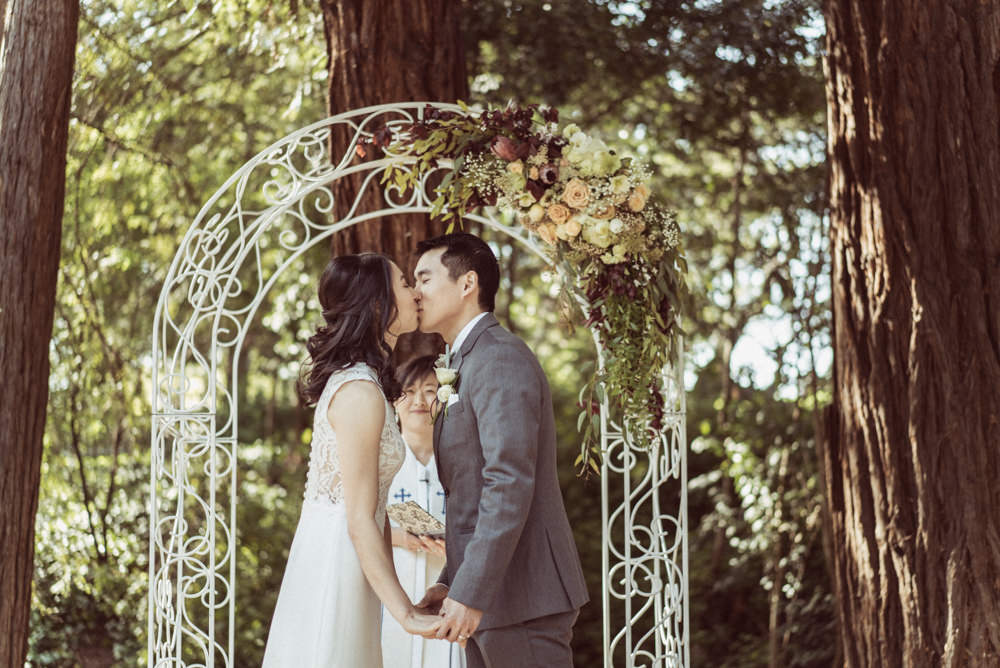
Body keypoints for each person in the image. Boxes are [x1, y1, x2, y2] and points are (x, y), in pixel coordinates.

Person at [412, 233, 590, 668]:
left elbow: (508, 481)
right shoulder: (465, 360)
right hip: (493, 595)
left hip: (522, 596)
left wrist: (472, 590)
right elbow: (470, 490)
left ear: (467, 283)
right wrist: (454, 581)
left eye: (425, 278)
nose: (416, 292)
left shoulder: (499, 358)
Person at [263, 252, 441, 667]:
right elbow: (359, 516)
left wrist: (391, 593)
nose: (415, 291)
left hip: (355, 560)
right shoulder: (359, 391)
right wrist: (406, 614)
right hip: (335, 561)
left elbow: (375, 515)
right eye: (403, 283)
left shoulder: (367, 382)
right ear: (379, 304)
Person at [381, 354, 468, 668]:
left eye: (430, 390)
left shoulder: (460, 463)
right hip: (392, 592)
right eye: (409, 390)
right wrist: (402, 537)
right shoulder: (380, 463)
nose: (419, 400)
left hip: (447, 597)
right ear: (394, 400)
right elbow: (350, 524)